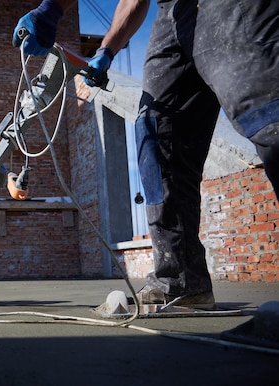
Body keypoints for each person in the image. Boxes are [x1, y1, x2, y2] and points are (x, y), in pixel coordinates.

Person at [14, 0, 279, 308]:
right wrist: (106, 50)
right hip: (173, 15)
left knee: (267, 113)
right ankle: (180, 282)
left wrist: (51, 7)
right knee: (155, 137)